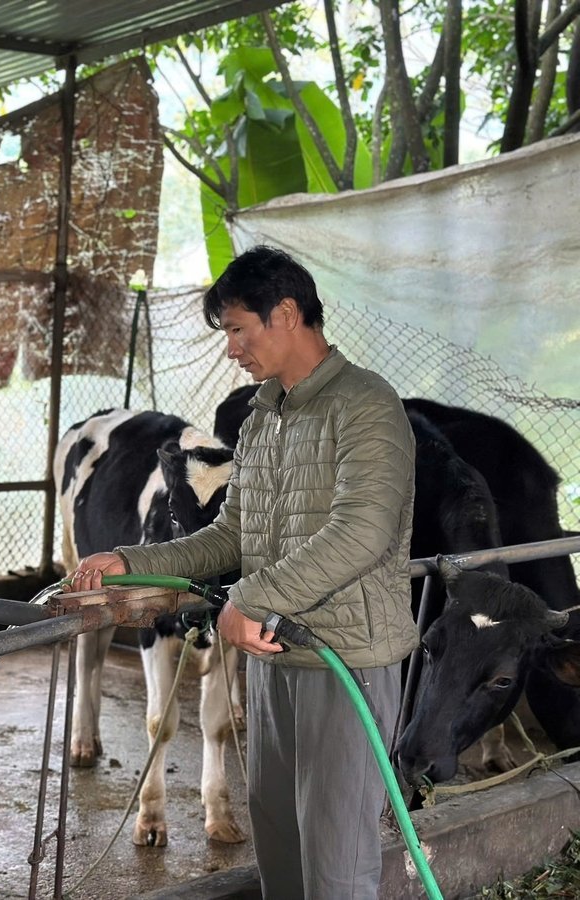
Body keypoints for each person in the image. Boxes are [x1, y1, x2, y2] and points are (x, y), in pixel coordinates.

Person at [65, 245, 418, 899]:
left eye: (236, 329)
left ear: (284, 314)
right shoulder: (264, 418)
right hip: (275, 662)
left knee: (337, 866)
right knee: (280, 852)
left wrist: (253, 596)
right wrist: (131, 563)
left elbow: (363, 531)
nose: (230, 348)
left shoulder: (366, 406)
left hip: (346, 664)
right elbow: (231, 534)